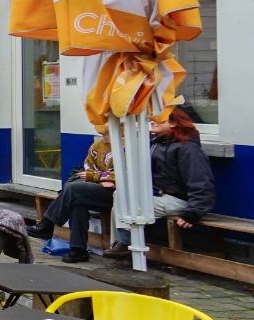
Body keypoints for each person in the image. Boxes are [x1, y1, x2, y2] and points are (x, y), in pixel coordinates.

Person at [104, 106, 216, 258]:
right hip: (157, 195)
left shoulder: (188, 149)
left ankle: (125, 245)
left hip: (177, 199)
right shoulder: (156, 143)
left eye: (159, 118)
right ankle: (124, 244)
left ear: (174, 123)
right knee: (121, 196)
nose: (152, 120)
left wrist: (193, 213)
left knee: (131, 204)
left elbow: (201, 182)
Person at [29, 136, 114, 263]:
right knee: (77, 203)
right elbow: (87, 167)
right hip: (98, 187)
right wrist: (97, 179)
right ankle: (78, 249)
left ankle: (48, 224)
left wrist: (96, 177)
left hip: (117, 193)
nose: (103, 133)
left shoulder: (126, 145)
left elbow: (123, 174)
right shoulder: (97, 145)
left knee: (73, 189)